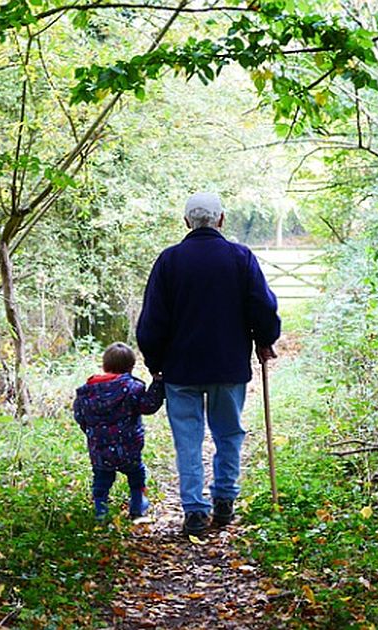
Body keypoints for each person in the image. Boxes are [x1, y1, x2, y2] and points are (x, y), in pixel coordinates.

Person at [136, 191, 280, 536]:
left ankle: (195, 512)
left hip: (180, 369)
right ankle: (225, 501)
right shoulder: (240, 257)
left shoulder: (169, 261)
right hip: (228, 367)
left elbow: (152, 320)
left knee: (188, 439)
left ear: (187, 222)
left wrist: (155, 362)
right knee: (229, 433)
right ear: (221, 219)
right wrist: (265, 338)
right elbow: (262, 306)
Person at [73, 342, 165, 520]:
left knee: (102, 478)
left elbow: (79, 416)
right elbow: (148, 406)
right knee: (136, 474)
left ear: (104, 365)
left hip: (99, 447)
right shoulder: (132, 388)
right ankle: (138, 505)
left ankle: (101, 510)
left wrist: (92, 433)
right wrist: (158, 384)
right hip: (129, 446)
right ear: (131, 367)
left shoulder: (87, 392)